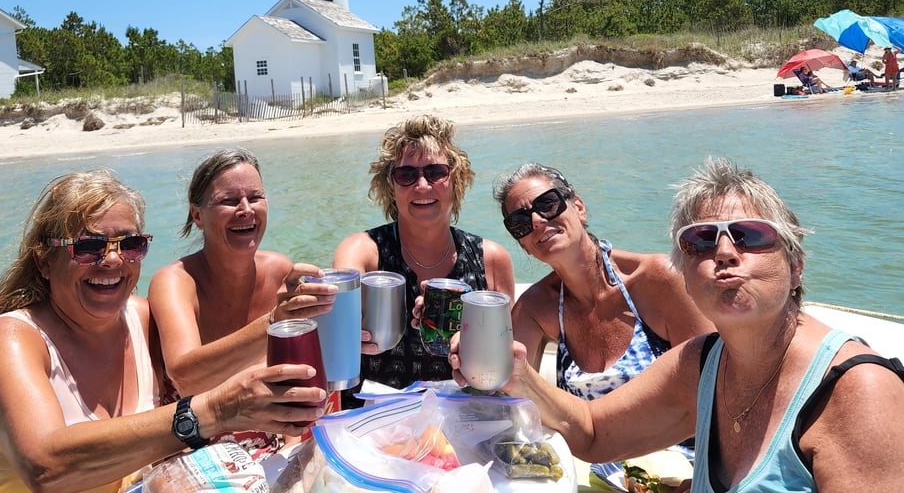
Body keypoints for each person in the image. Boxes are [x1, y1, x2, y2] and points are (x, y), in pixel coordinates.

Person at [451, 157, 904, 492]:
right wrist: (517, 376)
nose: (724, 252)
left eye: (750, 235)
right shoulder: (701, 365)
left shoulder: (856, 389)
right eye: (701, 241)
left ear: (796, 264)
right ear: (687, 273)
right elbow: (593, 432)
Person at [0, 169, 326, 493]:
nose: (113, 259)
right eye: (88, 246)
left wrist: (287, 323)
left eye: (130, 244)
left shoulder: (141, 320)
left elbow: (197, 375)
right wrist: (216, 410)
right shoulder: (9, 341)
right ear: (45, 261)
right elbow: (47, 468)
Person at [497, 163, 713, 458]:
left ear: (579, 208)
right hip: (589, 467)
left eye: (547, 204)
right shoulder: (535, 307)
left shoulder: (658, 280)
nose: (536, 221)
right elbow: (506, 396)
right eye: (520, 222)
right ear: (523, 245)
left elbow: (714, 389)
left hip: (683, 464)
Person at [148, 148, 335, 458]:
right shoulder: (175, 281)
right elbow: (186, 377)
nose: (246, 209)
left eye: (255, 197)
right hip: (196, 454)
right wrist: (274, 322)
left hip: (274, 451)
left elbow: (296, 386)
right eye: (229, 200)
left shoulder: (279, 270)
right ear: (197, 216)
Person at [333, 114, 515, 400]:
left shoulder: (491, 259)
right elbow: (338, 317)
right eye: (406, 175)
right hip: (376, 417)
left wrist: (466, 325)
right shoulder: (364, 251)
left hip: (465, 416)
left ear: (457, 181)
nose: (421, 186)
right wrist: (347, 328)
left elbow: (506, 362)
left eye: (435, 172)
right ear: (391, 187)